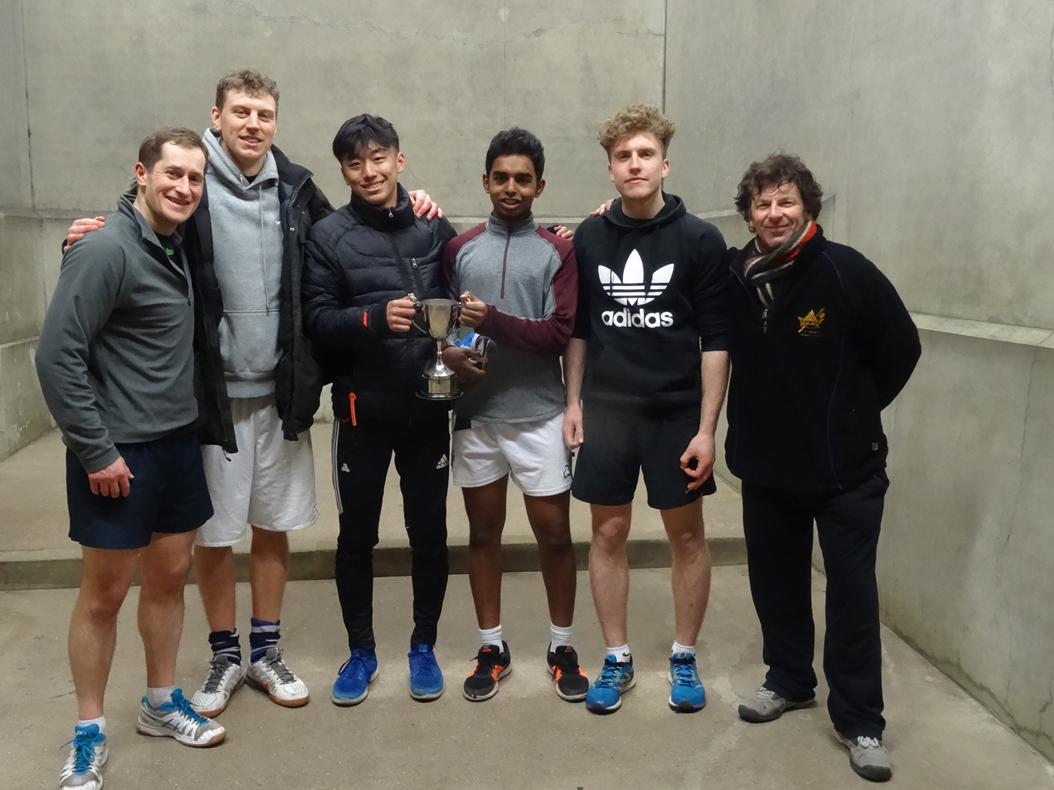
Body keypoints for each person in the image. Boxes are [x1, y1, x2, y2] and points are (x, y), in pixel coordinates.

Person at [63, 70, 442, 719]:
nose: (252, 124)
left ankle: (264, 648)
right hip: (209, 396)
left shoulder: (296, 190)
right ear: (217, 116)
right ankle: (224, 653)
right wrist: (83, 233)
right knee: (214, 534)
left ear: (275, 122)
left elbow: (361, 225)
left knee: (272, 526)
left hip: (281, 394)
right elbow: (136, 224)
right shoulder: (190, 182)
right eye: (240, 111)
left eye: (264, 113)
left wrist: (415, 202)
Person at [37, 128, 226, 790]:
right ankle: (88, 730)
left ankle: (159, 700)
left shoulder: (174, 244)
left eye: (195, 179)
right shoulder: (104, 248)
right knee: (105, 595)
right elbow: (56, 357)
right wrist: (95, 451)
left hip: (177, 444)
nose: (183, 188)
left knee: (171, 578)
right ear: (140, 174)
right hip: (117, 454)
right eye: (171, 174)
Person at [726, 153, 920, 783]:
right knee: (775, 583)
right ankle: (788, 679)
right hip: (768, 468)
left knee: (852, 595)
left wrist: (852, 414)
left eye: (786, 201)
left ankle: (861, 720)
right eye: (762, 203)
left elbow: (902, 348)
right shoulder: (738, 273)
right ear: (748, 213)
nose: (774, 213)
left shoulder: (845, 272)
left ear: (807, 206)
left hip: (848, 474)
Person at [562, 104, 729, 714]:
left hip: (674, 416)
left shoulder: (701, 240)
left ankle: (683, 657)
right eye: (623, 156)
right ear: (610, 169)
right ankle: (617, 659)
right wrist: (573, 401)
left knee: (686, 537)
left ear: (665, 163)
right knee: (607, 532)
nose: (635, 164)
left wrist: (707, 430)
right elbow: (579, 328)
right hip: (606, 415)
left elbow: (716, 341)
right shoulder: (591, 236)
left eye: (645, 154)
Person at [303, 114, 457, 705]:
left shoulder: (432, 225)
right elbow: (316, 318)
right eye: (354, 162)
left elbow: (459, 301)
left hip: (428, 411)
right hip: (360, 414)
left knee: (430, 535)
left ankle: (423, 646)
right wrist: (371, 319)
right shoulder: (328, 236)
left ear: (400, 159)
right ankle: (361, 652)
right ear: (343, 169)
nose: (368, 172)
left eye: (378, 158)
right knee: (355, 539)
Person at [441, 128, 588, 703]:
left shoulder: (558, 250)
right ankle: (492, 646)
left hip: (540, 416)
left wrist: (493, 320)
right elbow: (448, 325)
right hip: (476, 418)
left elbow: (558, 333)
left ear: (540, 186)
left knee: (554, 535)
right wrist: (449, 353)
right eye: (500, 177)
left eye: (522, 179)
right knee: (483, 534)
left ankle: (561, 645)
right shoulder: (458, 249)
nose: (511, 187)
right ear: (485, 182)